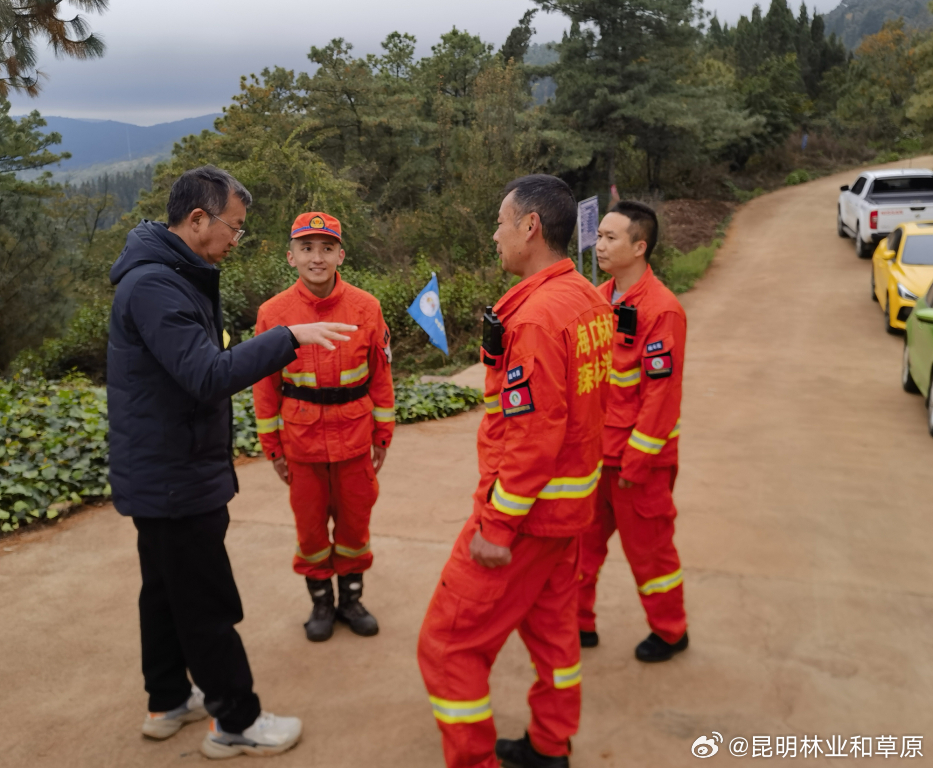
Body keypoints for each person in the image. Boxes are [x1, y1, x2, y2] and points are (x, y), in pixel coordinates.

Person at [107, 166, 357, 759]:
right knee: (204, 600)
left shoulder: (168, 275)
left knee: (165, 592)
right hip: (175, 477)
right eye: (234, 228)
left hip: (165, 469)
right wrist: (291, 338)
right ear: (197, 220)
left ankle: (168, 700)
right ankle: (236, 721)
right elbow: (207, 375)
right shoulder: (155, 287)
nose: (234, 241)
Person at [417, 175, 613, 768]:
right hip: (566, 515)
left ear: (530, 228)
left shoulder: (535, 319)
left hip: (525, 519)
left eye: (501, 222)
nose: (495, 234)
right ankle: (550, 745)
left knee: (448, 647)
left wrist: (496, 527)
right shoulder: (586, 297)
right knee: (554, 635)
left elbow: (532, 438)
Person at [252, 211, 395, 642]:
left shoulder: (366, 307)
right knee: (311, 529)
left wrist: (383, 434)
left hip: (354, 440)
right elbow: (265, 386)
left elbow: (381, 376)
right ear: (291, 256)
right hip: (302, 444)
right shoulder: (272, 313)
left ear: (341, 255)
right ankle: (321, 603)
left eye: (327, 248)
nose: (317, 257)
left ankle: (351, 599)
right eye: (307, 248)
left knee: (355, 526)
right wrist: (272, 447)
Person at [576, 200, 689, 663]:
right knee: (581, 547)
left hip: (636, 464)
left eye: (610, 238)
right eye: (599, 236)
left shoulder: (663, 311)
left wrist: (637, 463)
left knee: (651, 554)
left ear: (640, 247)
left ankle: (670, 631)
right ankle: (578, 623)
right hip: (594, 458)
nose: (599, 245)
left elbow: (661, 399)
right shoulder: (599, 299)